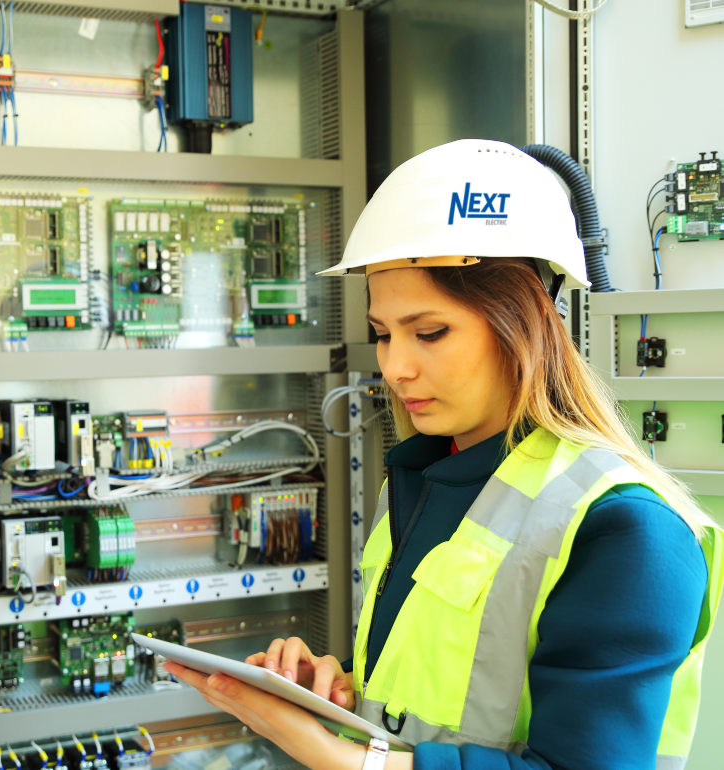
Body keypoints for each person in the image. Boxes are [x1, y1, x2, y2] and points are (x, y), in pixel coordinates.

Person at [164, 140, 723, 770]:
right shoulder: (424, 477)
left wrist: (341, 758)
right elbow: (437, 695)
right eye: (382, 334)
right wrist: (339, 693)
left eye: (430, 332)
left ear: (525, 321)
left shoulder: (626, 528)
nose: (395, 367)